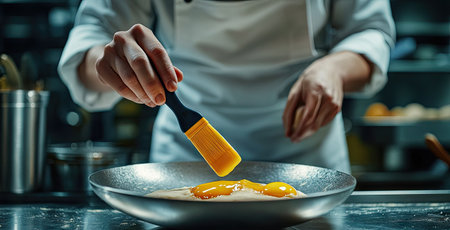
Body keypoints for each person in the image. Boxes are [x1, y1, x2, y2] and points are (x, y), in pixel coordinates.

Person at [58, 0, 395, 174]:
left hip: (307, 164)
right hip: (185, 164)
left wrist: (335, 68)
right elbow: (92, 37)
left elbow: (372, 32)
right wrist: (111, 63)